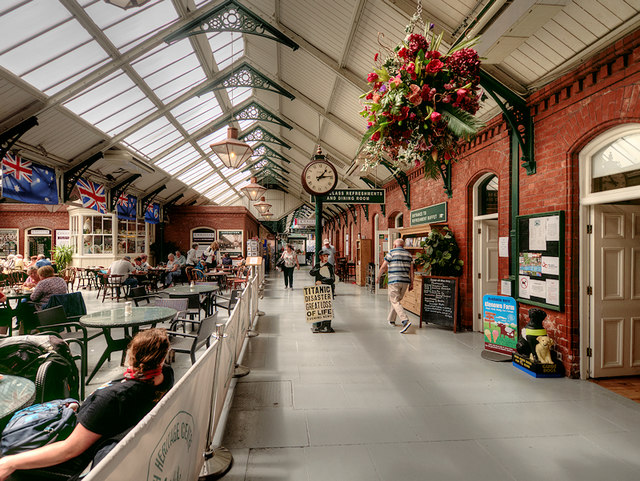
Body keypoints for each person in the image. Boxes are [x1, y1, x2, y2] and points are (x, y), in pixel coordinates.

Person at [0, 328, 174, 481]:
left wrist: (10, 463)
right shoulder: (165, 378)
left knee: (9, 441)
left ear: (131, 356)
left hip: (70, 455)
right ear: (161, 358)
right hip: (91, 425)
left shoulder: (113, 399)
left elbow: (69, 449)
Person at [377, 238, 414, 334]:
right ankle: (391, 319)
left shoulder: (391, 253)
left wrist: (378, 277)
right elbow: (411, 271)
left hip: (394, 280)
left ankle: (405, 320)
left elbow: (383, 267)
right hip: (405, 281)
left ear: (394, 245)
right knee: (396, 300)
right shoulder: (409, 254)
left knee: (394, 301)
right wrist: (412, 283)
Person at [309, 249, 335, 333]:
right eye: (324, 256)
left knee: (327, 307)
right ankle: (321, 325)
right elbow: (311, 273)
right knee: (320, 306)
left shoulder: (330, 266)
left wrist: (322, 282)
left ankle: (327, 326)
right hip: (319, 290)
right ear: (320, 257)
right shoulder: (318, 265)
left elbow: (332, 279)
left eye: (327, 256)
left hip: (327, 289)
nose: (326, 258)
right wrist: (320, 269)